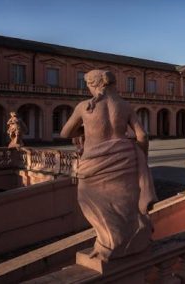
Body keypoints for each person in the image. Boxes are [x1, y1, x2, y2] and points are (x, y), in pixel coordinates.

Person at [60, 69, 157, 262]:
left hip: (94, 162)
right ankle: (131, 241)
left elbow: (65, 133)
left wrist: (85, 128)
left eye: (87, 85)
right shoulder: (125, 105)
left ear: (94, 85)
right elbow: (142, 136)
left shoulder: (84, 107)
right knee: (126, 203)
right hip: (125, 158)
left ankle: (109, 245)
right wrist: (142, 158)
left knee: (91, 201)